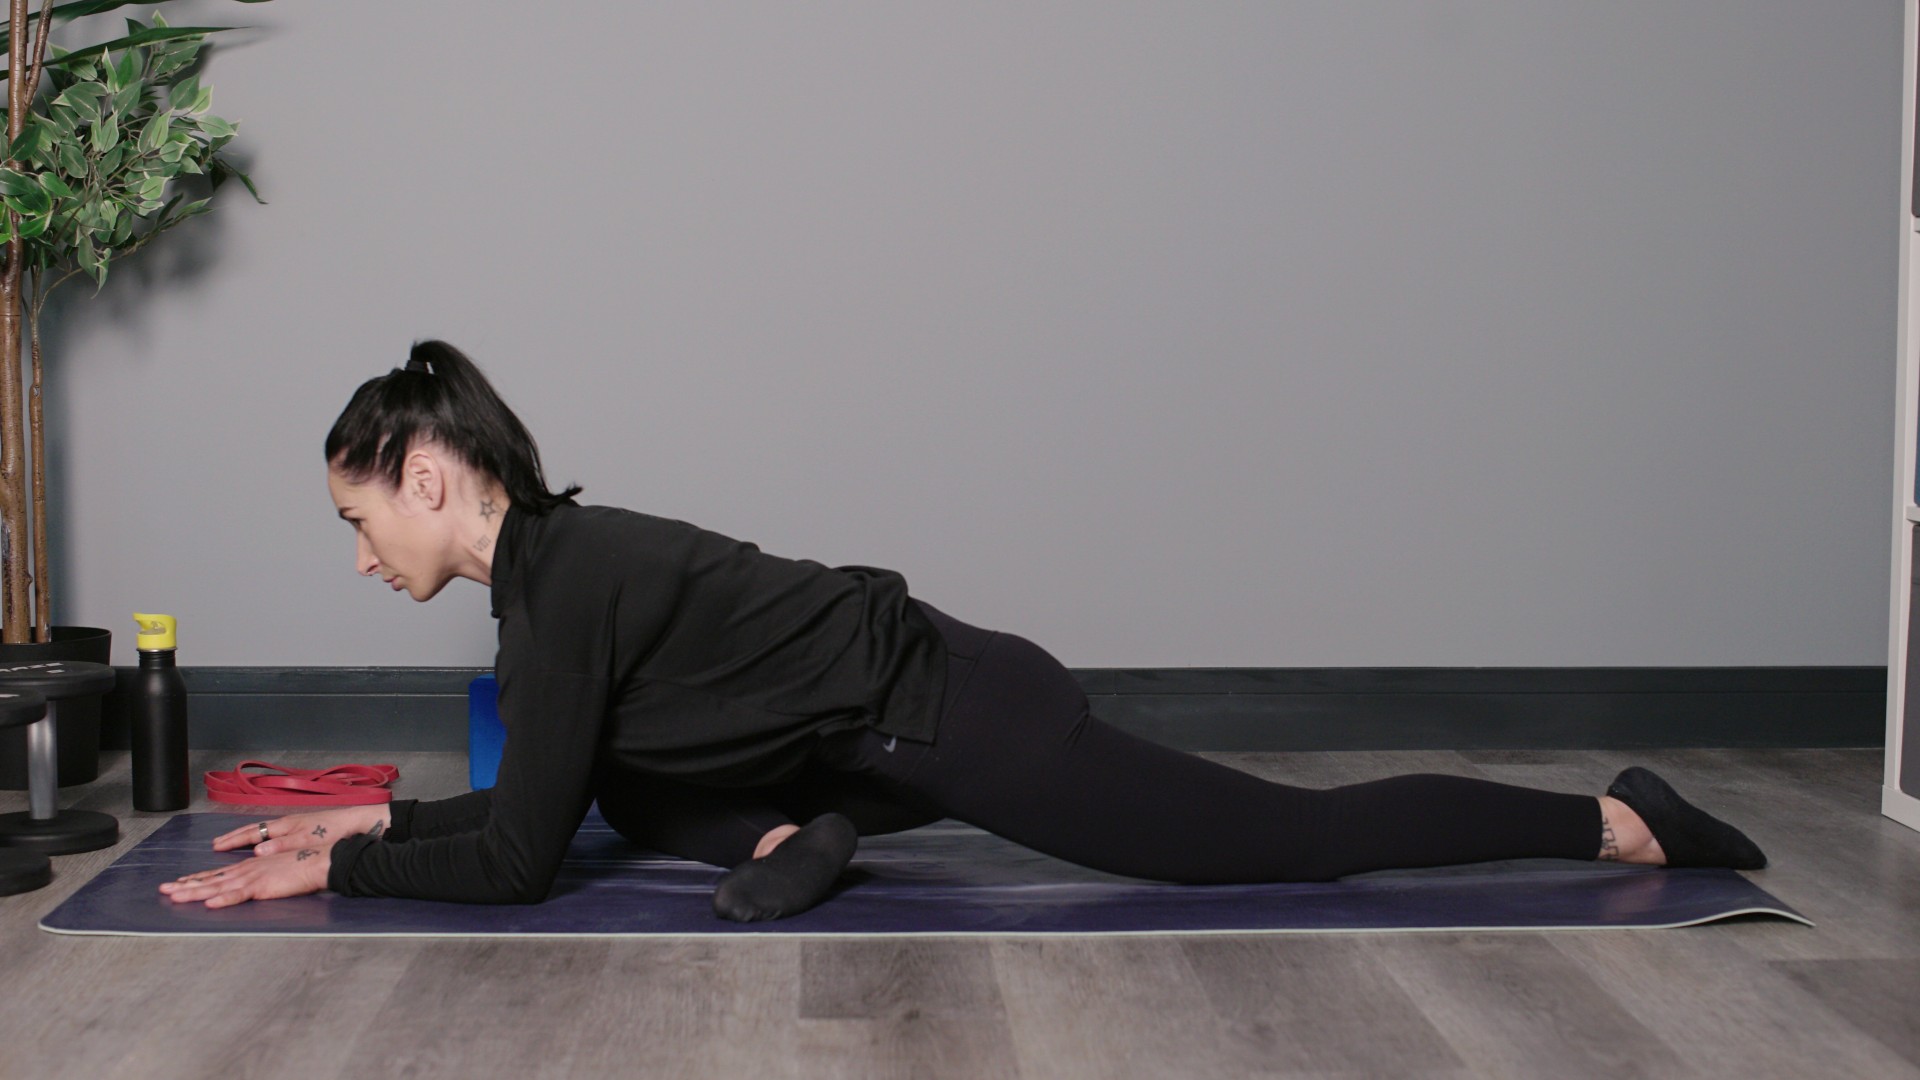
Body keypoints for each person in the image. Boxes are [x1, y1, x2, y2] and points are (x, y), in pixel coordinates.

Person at [158, 340, 1769, 917]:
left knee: (1285, 844)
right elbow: (553, 803)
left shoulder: (559, 596)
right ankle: (804, 824)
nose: (361, 557)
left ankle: (1622, 821)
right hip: (868, 721)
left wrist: (351, 859)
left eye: (358, 518)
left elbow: (517, 862)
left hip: (962, 718)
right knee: (629, 780)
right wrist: (367, 822)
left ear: (428, 476)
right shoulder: (553, 578)